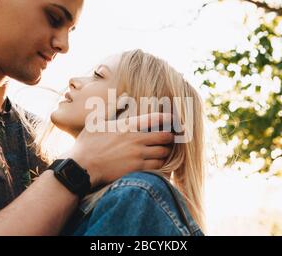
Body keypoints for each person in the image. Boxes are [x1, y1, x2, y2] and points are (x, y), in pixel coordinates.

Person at [0, 0, 174, 236]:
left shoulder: (40, 139)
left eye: (70, 30)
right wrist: (76, 170)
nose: (64, 45)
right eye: (54, 18)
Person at [41, 49, 205, 235]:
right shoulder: (86, 201)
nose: (74, 81)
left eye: (98, 75)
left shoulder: (136, 195)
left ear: (130, 108)